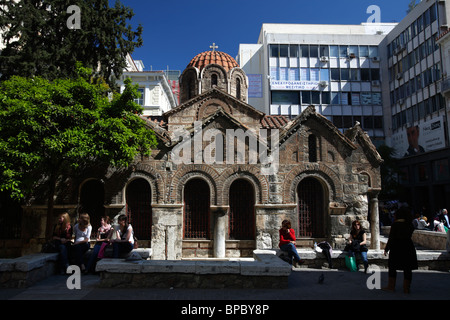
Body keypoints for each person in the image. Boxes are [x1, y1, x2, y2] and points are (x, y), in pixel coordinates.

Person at [382, 206, 418, 294]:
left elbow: (391, 237)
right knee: (407, 268)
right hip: (408, 247)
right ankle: (406, 288)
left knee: (393, 267)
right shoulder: (410, 224)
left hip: (397, 247)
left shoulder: (396, 224)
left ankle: (391, 286)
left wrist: (387, 248)